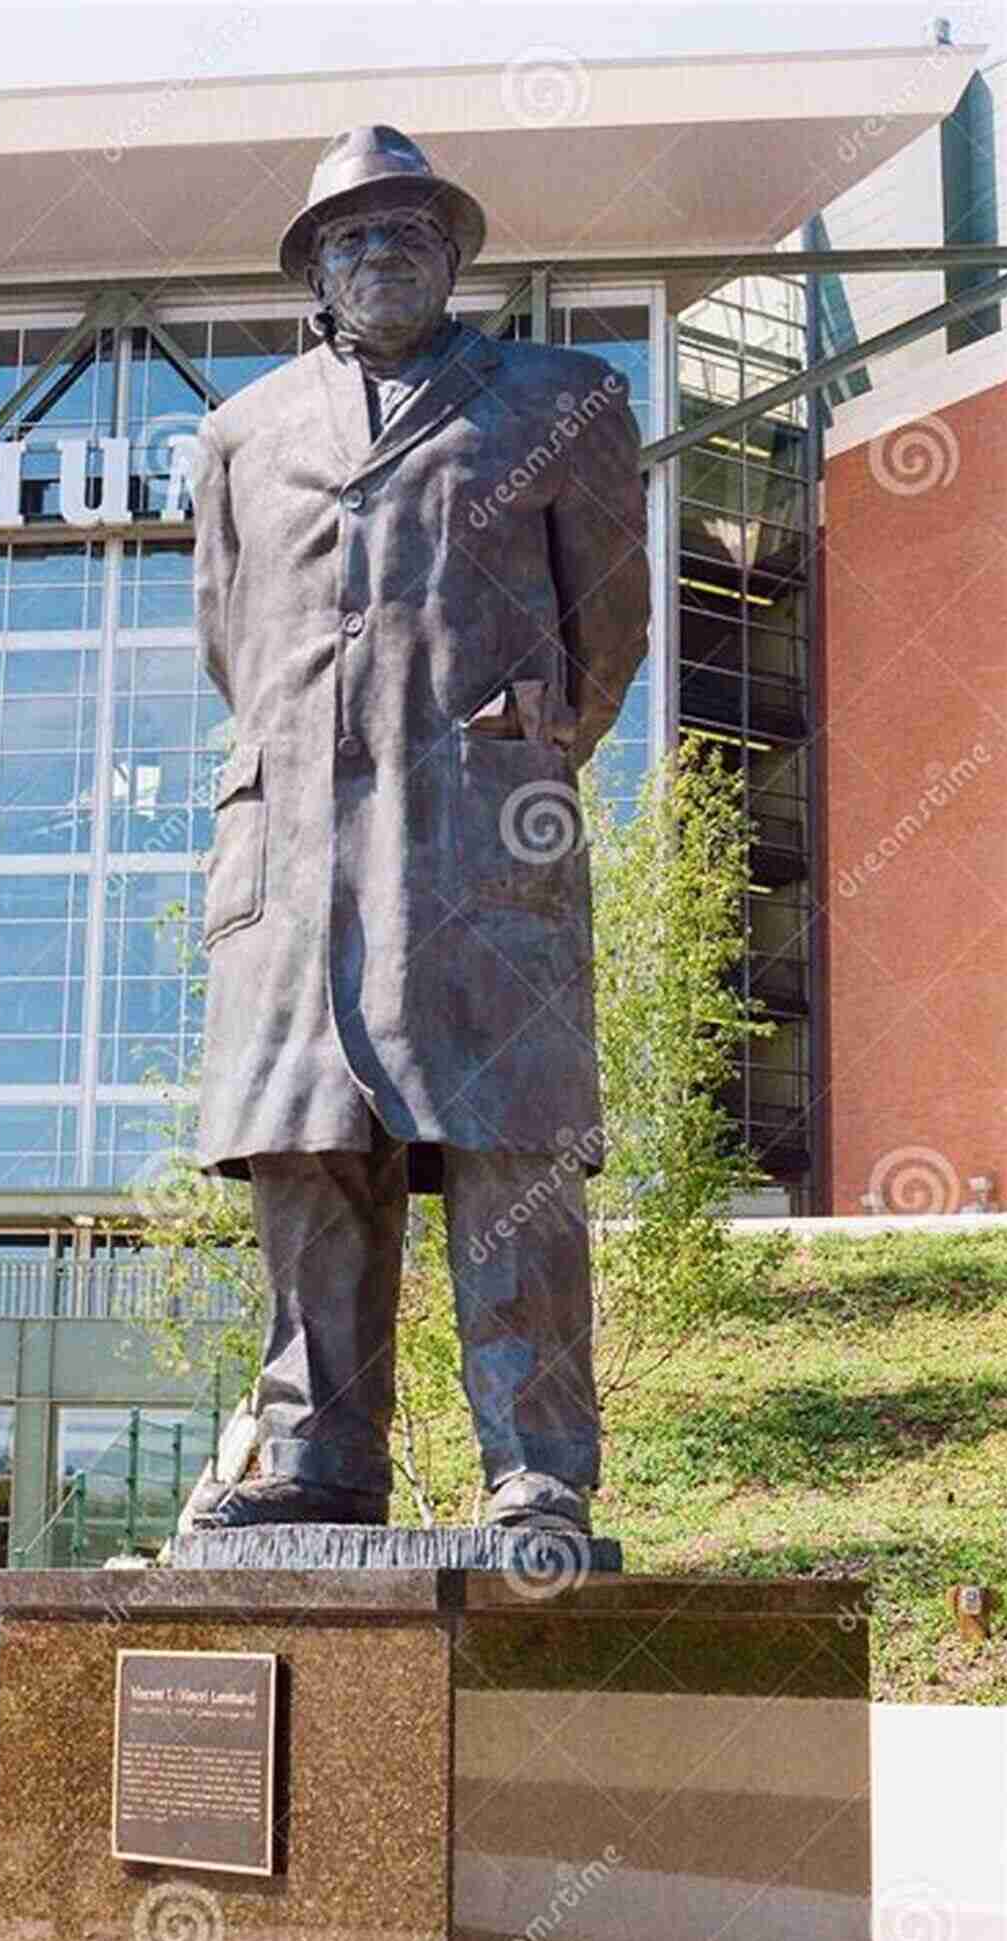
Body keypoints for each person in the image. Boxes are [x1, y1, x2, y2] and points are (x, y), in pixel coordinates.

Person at [188, 126, 650, 1534]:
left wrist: (514, 744)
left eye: (406, 232)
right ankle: (318, 1456)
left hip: (477, 841)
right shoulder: (243, 431)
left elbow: (612, 621)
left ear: (453, 255)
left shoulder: (558, 400)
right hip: (297, 853)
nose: (378, 254)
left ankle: (538, 1465)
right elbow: (231, 639)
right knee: (309, 1153)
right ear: (316, 274)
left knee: (511, 1147)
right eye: (350, 237)